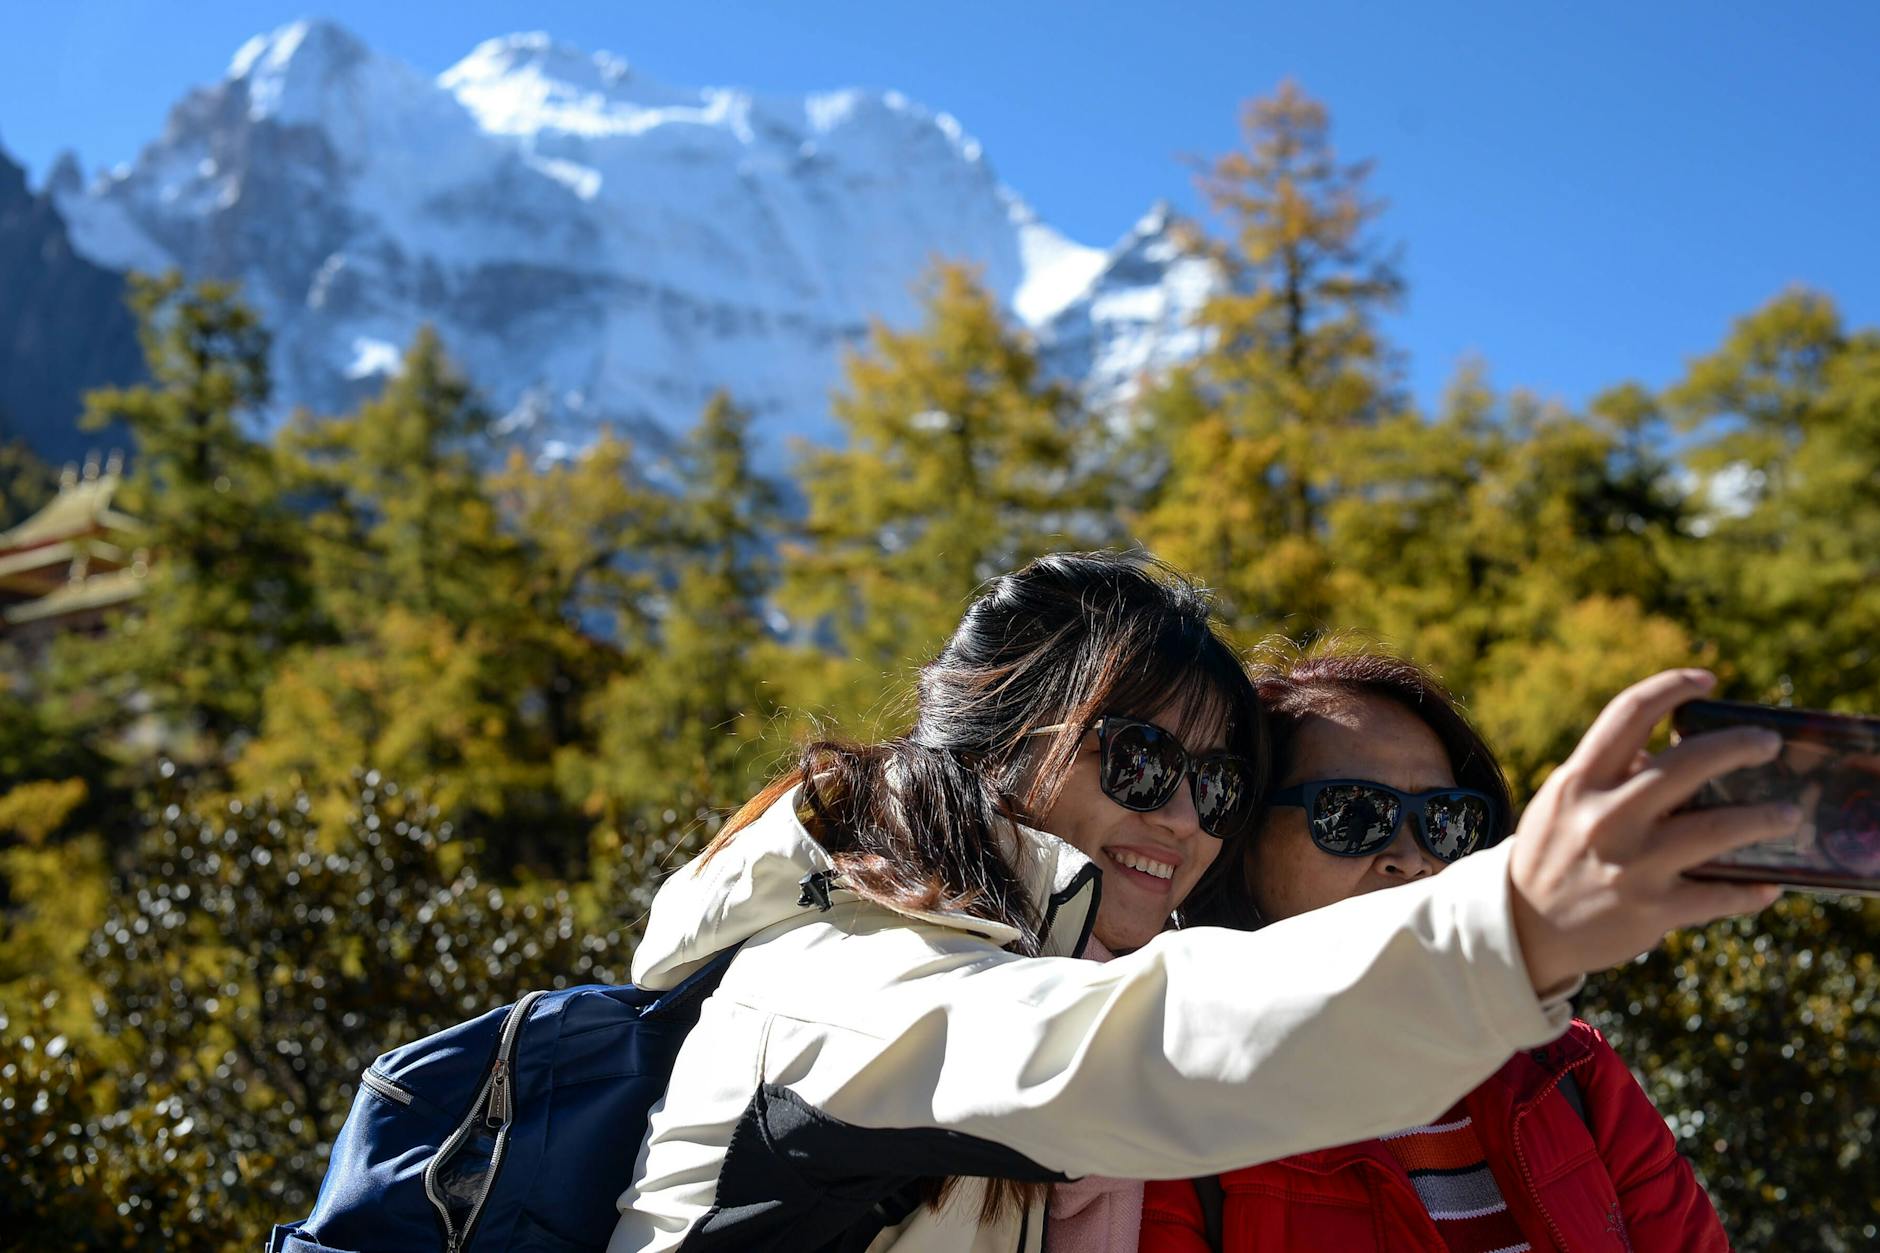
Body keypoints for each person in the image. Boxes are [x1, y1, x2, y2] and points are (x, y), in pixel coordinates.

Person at [610, 551, 1790, 1252]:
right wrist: (1511, 921)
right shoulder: (839, 975)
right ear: (994, 744)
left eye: (1218, 781)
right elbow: (1132, 1051)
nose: (1183, 815)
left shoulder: (1566, 1075)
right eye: (1139, 760)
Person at [1141, 648, 1730, 1252]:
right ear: (1245, 844)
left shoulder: (1569, 1070)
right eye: (1352, 814)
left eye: (1444, 821)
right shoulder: (1173, 1118)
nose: (1413, 857)